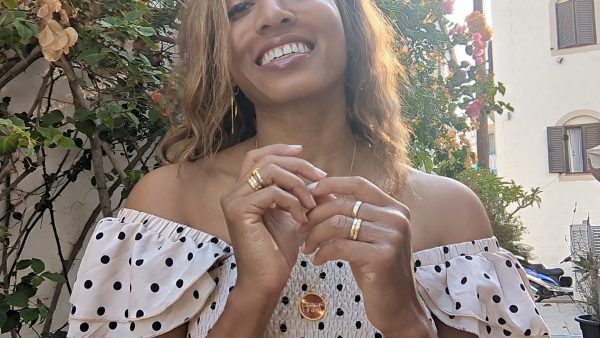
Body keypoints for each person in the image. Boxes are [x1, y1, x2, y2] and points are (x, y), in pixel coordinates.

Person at [67, 0, 549, 337]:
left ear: (348, 18)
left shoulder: (451, 212)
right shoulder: (164, 209)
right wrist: (253, 292)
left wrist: (406, 319)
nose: (273, 13)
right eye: (238, 9)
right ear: (219, 56)